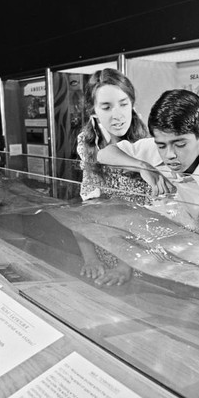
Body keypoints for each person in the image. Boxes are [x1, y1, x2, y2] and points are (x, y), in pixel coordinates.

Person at [97, 89, 199, 344]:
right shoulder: (157, 147)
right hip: (154, 248)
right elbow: (104, 154)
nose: (170, 156)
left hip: (195, 256)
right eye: (161, 145)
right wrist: (142, 165)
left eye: (180, 144)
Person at [75, 68, 150, 286]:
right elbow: (85, 210)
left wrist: (125, 266)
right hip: (103, 256)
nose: (116, 115)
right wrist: (90, 258)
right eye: (106, 107)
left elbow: (150, 217)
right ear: (94, 110)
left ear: (133, 105)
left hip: (141, 261)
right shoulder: (86, 143)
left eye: (123, 104)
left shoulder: (149, 146)